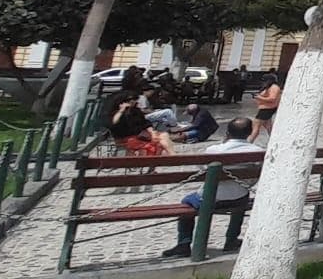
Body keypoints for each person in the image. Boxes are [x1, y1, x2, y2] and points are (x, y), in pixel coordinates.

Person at [161, 117, 259, 258]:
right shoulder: (257, 151)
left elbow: (202, 169)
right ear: (249, 133)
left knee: (186, 202)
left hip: (211, 199)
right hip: (239, 198)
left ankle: (184, 243)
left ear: (227, 133)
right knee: (241, 200)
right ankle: (231, 240)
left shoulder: (214, 150)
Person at [109, 91, 173, 156]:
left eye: (135, 99)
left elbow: (146, 123)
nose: (133, 101)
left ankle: (173, 155)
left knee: (164, 135)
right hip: (127, 139)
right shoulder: (116, 113)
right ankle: (173, 156)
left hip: (141, 136)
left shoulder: (136, 111)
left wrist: (152, 132)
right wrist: (121, 111)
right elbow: (113, 123)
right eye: (130, 100)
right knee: (160, 141)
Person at [249, 74, 281, 143]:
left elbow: (273, 98)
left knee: (256, 125)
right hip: (265, 108)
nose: (263, 83)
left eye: (265, 81)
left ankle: (250, 140)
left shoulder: (274, 87)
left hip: (267, 109)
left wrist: (259, 97)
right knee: (268, 126)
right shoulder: (268, 87)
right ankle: (275, 140)